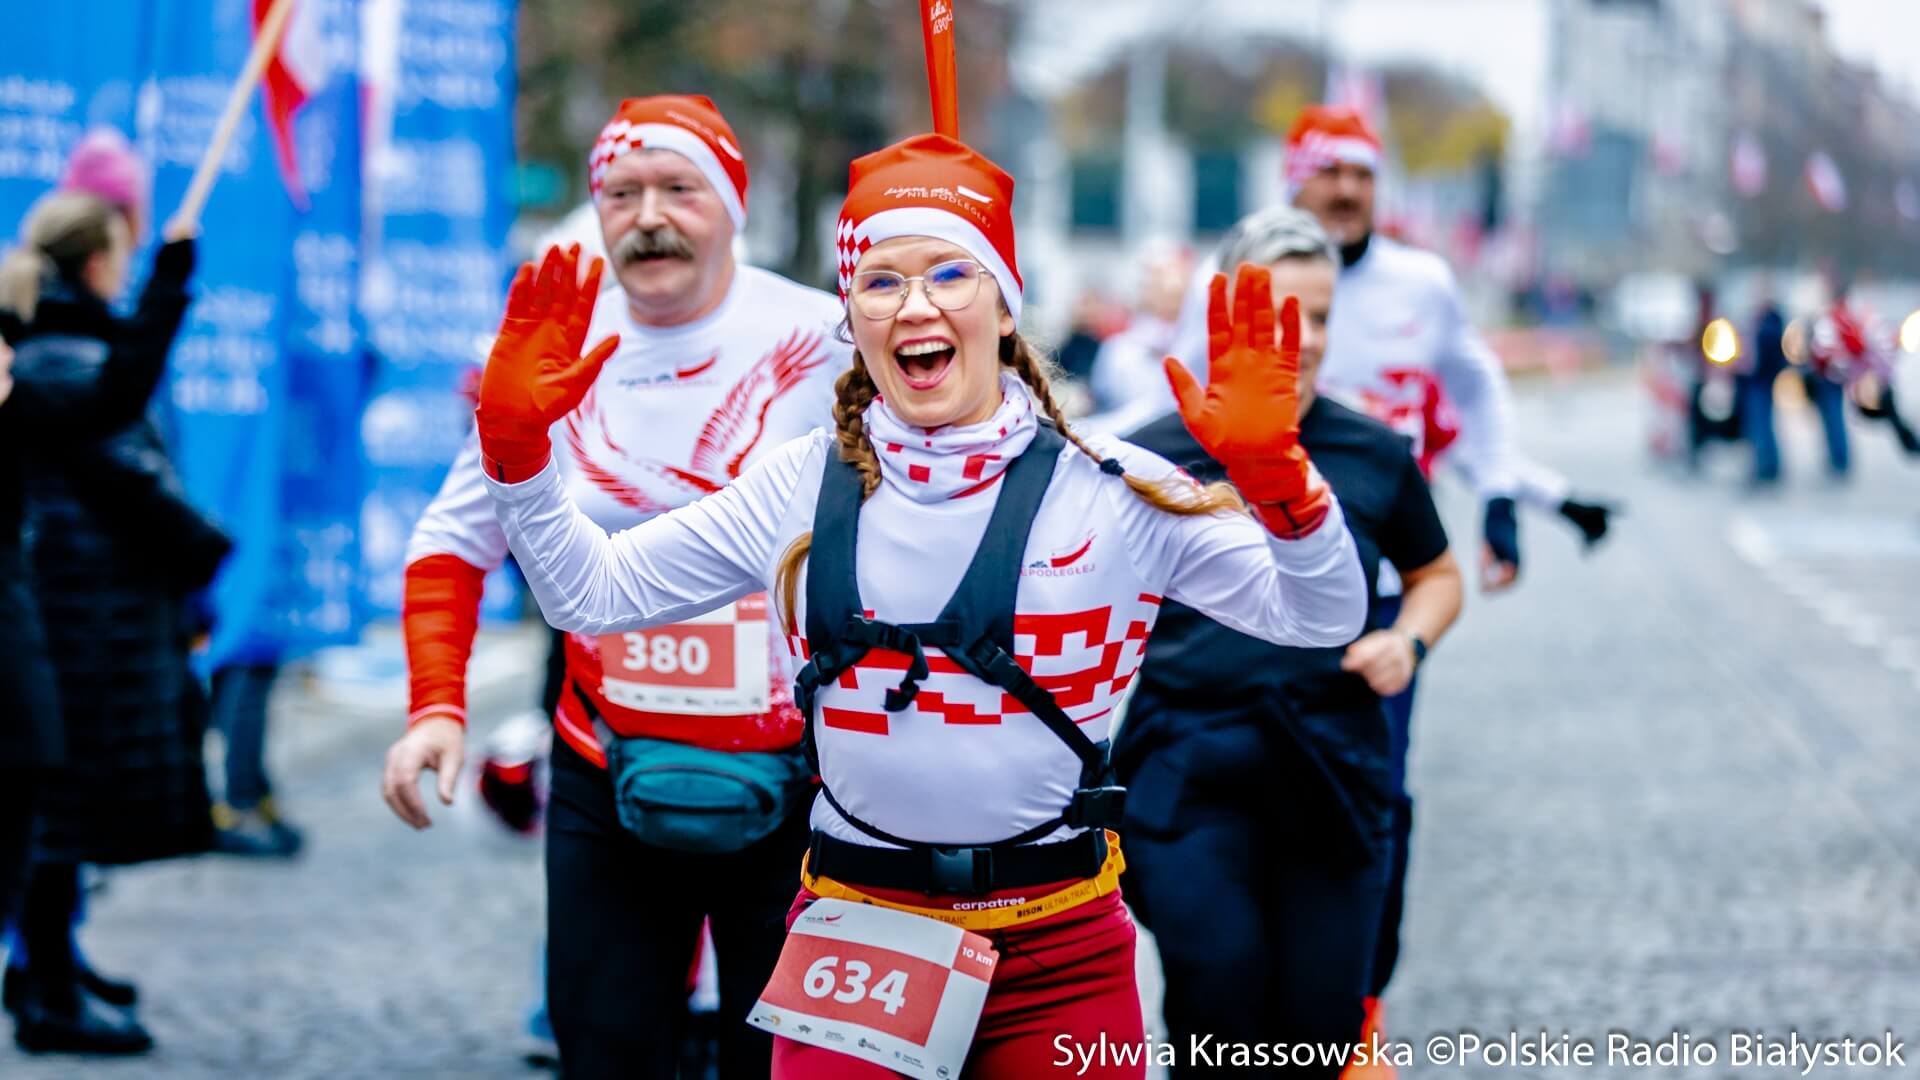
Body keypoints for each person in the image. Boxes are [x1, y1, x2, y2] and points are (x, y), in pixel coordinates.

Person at [470, 129, 1367, 1077]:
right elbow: (590, 592)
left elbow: (1322, 616)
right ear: (852, 317)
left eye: (949, 274)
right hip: (860, 938)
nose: (916, 305)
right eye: (882, 282)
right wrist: (519, 459)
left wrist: (1284, 483)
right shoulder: (798, 484)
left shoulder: (1113, 488)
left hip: (1061, 948)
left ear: (1006, 307)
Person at [380, 95, 847, 1080]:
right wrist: (436, 706)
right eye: (622, 195)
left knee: (785, 1065)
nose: (649, 217)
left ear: (732, 206)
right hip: (607, 761)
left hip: (805, 777)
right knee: (604, 1051)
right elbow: (452, 539)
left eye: (680, 189)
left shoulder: (825, 337)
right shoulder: (560, 344)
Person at [1116, 206, 1461, 1079]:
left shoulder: (1373, 451)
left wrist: (1409, 643)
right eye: (1279, 315)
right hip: (1188, 761)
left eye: (1320, 317)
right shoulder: (1149, 456)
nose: (1302, 340)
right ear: (1227, 317)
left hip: (1332, 762)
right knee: (1219, 995)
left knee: (1321, 1025)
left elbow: (1437, 575)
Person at [0, 190, 205, 1055]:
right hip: (46, 621)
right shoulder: (43, 360)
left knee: (42, 799)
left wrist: (168, 277)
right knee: (42, 809)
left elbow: (112, 396)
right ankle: (44, 985)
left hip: (31, 623)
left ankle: (45, 972)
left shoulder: (27, 381)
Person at [1742, 289, 1789, 486]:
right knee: (1759, 425)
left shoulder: (1770, 324)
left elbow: (1768, 354)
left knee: (1762, 425)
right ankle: (1765, 465)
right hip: (1756, 379)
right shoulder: (1764, 322)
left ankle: (1767, 467)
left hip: (1762, 380)